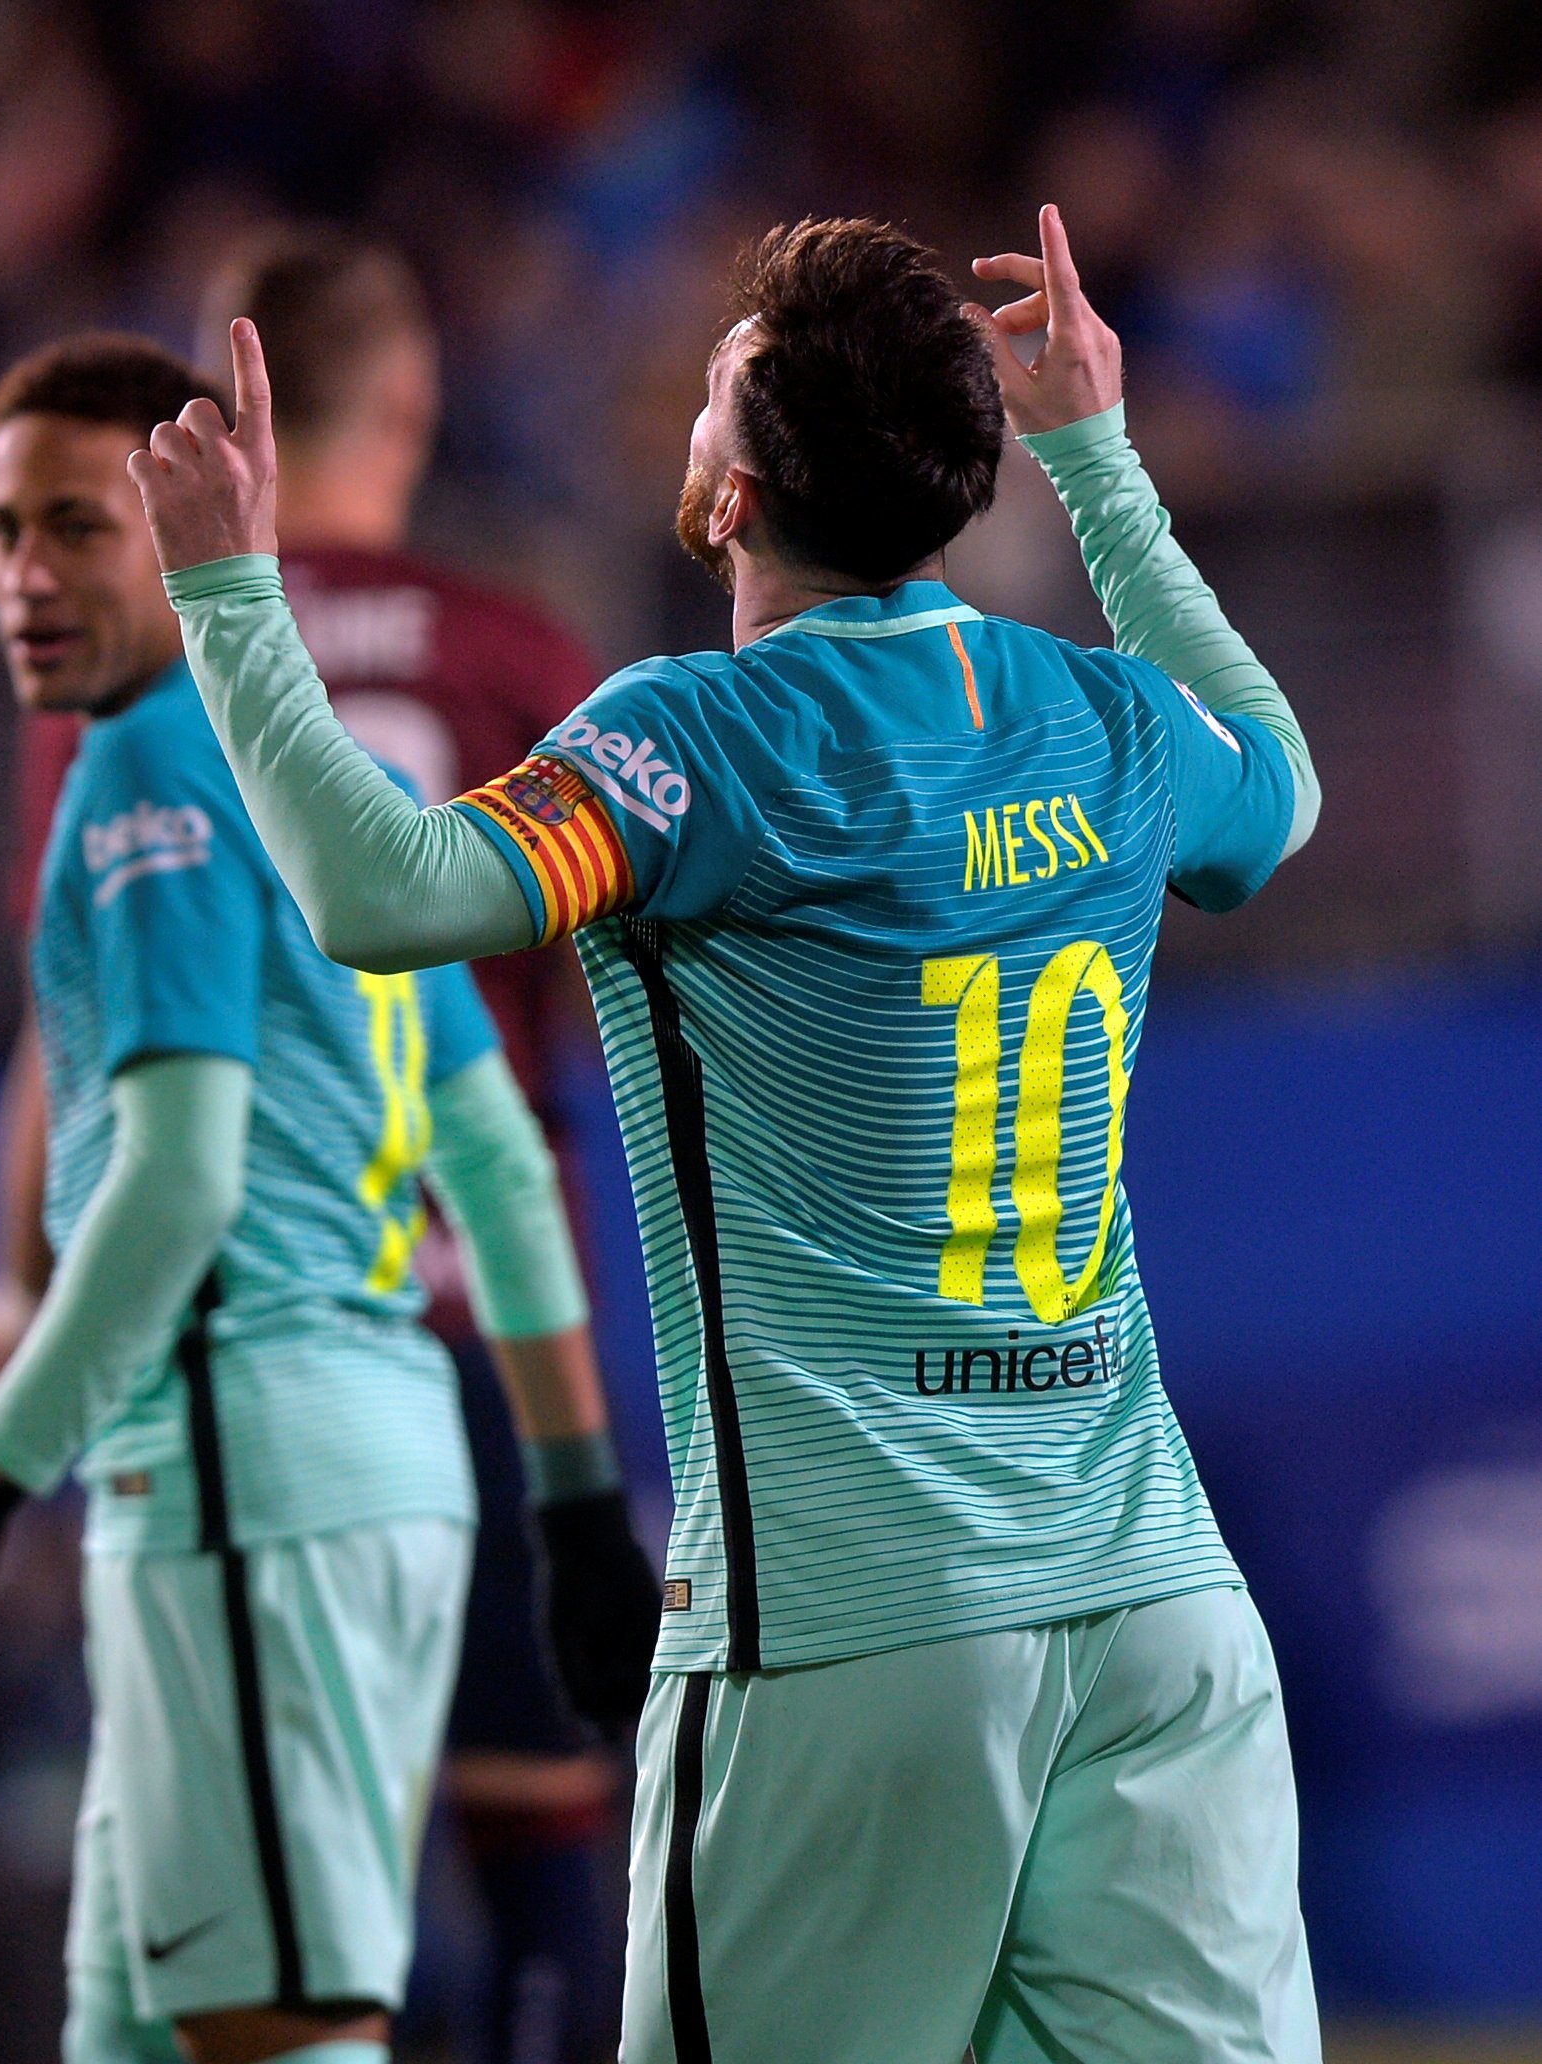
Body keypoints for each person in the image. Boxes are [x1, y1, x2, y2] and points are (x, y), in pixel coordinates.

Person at [129, 210, 1323, 2062]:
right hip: (1157, 1613)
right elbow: (1277, 790)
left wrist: (226, 596)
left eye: (707, 394)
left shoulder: (699, 743)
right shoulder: (1099, 715)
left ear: (727, 499)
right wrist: (1098, 456)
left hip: (849, 1629)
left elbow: (384, 888)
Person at [0, 335, 659, 2064]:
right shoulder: (355, 797)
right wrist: (577, 1499)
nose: (26, 574)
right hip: (377, 1465)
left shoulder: (143, 772)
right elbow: (503, 1171)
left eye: (79, 528)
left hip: (243, 1469)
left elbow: (174, 1183)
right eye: (3, 531)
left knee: (275, 2032)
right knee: (134, 2026)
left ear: (184, 533)